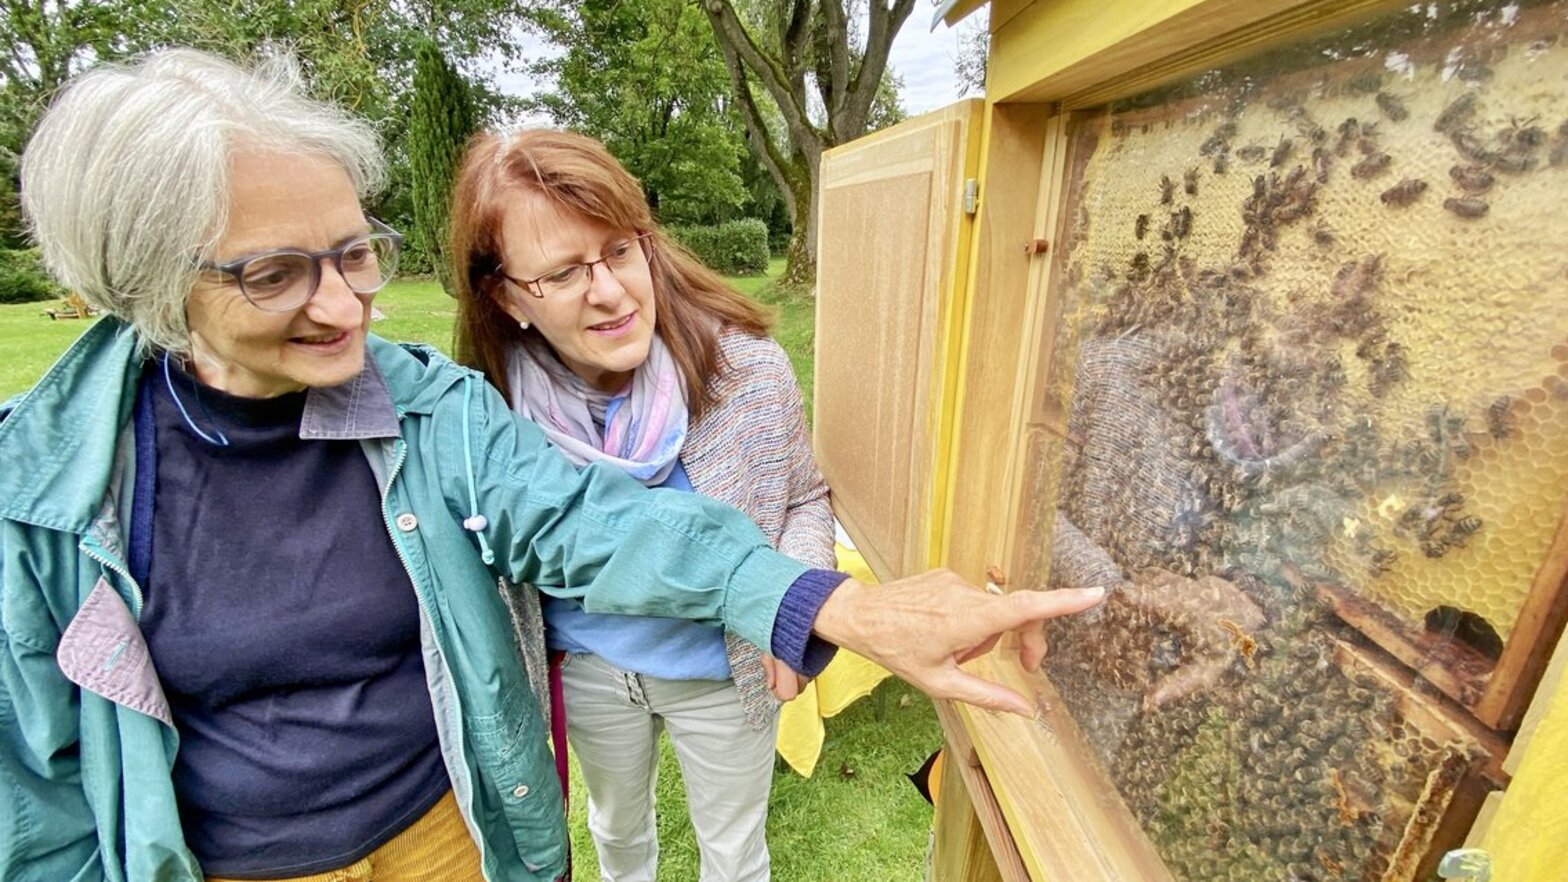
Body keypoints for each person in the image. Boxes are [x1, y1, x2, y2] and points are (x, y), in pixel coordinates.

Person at [0, 48, 1104, 882]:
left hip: (449, 836)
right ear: (145, 281)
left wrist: (833, 607)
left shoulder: (428, 412)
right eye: (276, 274)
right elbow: (38, 793)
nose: (345, 305)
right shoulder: (37, 490)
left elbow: (594, 519)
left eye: (353, 252)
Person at [448, 129, 829, 882]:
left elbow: (807, 499)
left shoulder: (746, 372)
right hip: (592, 675)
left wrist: (794, 609)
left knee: (735, 855)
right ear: (506, 296)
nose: (613, 292)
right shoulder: (488, 418)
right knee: (617, 838)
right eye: (563, 272)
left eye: (620, 250)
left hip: (726, 673)